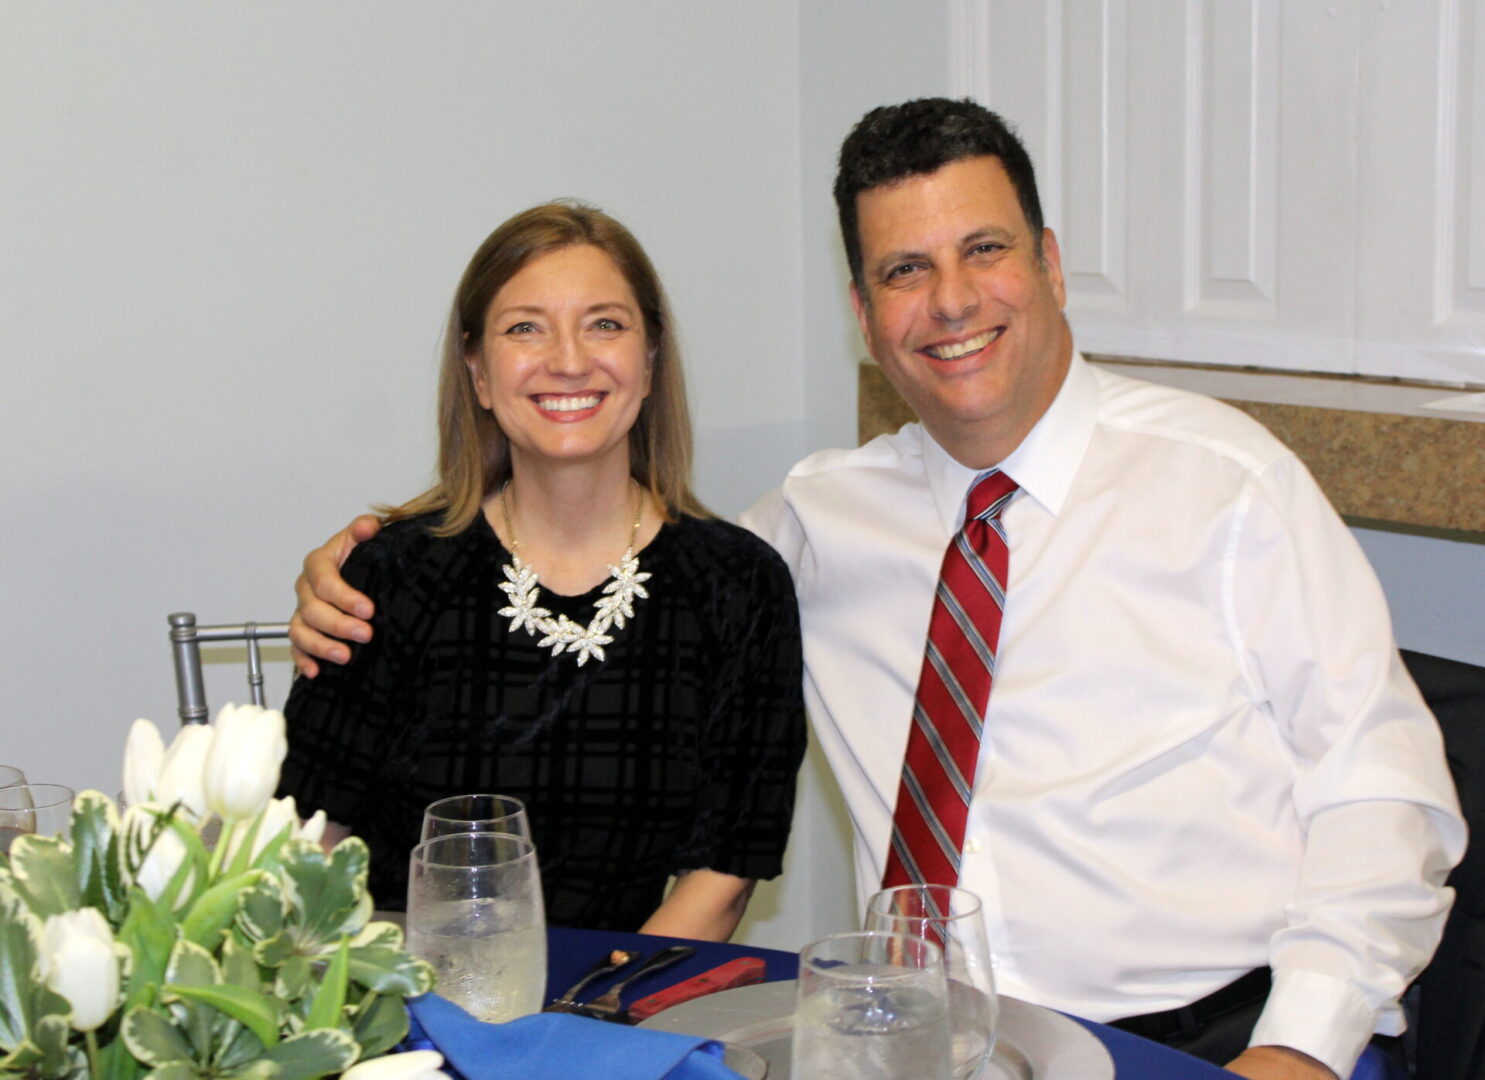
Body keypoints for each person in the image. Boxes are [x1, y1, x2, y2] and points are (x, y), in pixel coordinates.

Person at [289, 103, 1464, 1080]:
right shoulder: (815, 520)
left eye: (984, 251)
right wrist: (354, 572)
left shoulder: (1228, 486)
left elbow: (1386, 795)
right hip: (912, 1041)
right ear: (864, 315)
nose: (950, 301)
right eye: (906, 269)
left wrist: (1300, 1049)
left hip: (1208, 1038)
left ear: (1051, 264)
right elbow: (614, 576)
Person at [278, 201, 806, 942]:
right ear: (478, 372)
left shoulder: (738, 586)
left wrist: (592, 1025)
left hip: (622, 1009)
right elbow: (311, 840)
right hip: (402, 1003)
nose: (567, 358)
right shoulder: (388, 575)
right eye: (525, 327)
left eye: (605, 324)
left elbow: (721, 876)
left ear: (650, 363)